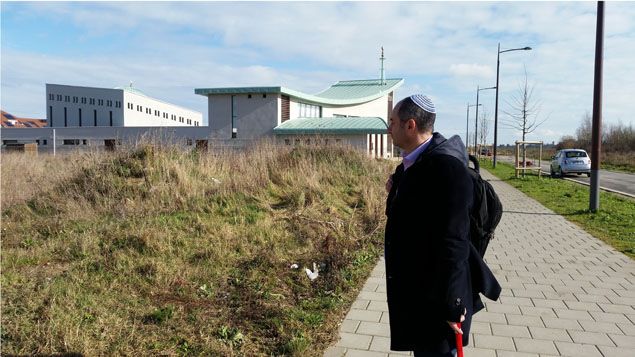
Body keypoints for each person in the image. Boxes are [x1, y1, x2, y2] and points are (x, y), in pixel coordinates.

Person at [384, 94, 500, 357]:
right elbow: (406, 221)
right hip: (421, 290)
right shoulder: (414, 164)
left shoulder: (445, 169)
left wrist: (453, 304)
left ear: (410, 125)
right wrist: (395, 191)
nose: (389, 128)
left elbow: (454, 242)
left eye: (392, 122)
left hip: (438, 300)